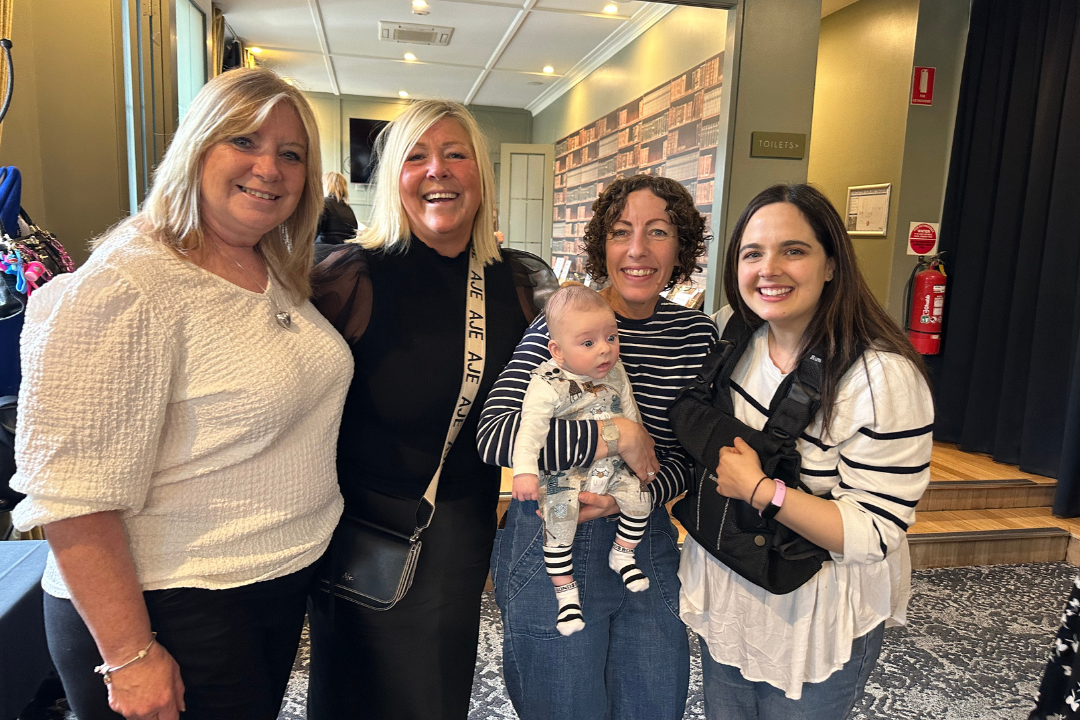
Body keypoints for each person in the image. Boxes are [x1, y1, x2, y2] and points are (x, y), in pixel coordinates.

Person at [9, 67, 353, 720]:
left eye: (291, 154)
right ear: (197, 147)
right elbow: (70, 496)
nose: (269, 168)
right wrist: (130, 655)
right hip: (169, 607)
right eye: (244, 142)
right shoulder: (129, 283)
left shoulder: (263, 263)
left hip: (259, 589)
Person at [306, 99, 558, 720]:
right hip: (357, 532)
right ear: (395, 176)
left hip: (456, 529)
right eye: (416, 156)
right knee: (350, 697)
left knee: (435, 697)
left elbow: (569, 386)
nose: (437, 170)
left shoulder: (520, 284)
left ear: (481, 174)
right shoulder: (348, 277)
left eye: (455, 154)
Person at [678, 183, 934, 719]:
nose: (769, 269)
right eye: (753, 253)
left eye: (793, 250)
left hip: (814, 612)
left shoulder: (881, 377)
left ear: (831, 264)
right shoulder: (733, 330)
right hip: (730, 576)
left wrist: (760, 490)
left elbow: (874, 532)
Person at [478, 173, 718, 720]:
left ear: (681, 247)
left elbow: (690, 460)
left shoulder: (695, 336)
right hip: (551, 541)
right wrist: (616, 435)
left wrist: (639, 491)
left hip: (644, 536)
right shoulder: (563, 326)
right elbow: (496, 433)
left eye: (658, 232)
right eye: (621, 232)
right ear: (601, 245)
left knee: (653, 703)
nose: (637, 250)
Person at [511, 285, 652, 637]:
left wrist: (639, 447)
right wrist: (525, 472)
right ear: (557, 352)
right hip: (564, 472)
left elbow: (630, 413)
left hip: (612, 467)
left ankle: (623, 552)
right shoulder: (547, 382)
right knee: (559, 522)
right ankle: (566, 594)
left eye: (611, 336)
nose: (605, 348)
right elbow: (530, 430)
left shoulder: (616, 372)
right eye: (588, 343)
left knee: (639, 499)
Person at [315, 170, 359, 244]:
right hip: (343, 252)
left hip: (325, 251)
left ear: (326, 185)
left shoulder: (324, 204)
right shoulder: (348, 208)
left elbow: (311, 234)